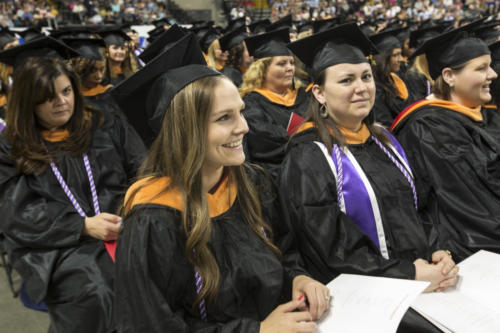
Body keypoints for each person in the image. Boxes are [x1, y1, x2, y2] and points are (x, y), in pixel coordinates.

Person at [113, 35, 330, 332]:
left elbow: (285, 249)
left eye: (240, 111)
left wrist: (299, 278)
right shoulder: (153, 219)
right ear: (185, 131)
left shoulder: (253, 183)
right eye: (224, 118)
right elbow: (152, 325)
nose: (244, 126)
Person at [284, 23, 458, 332]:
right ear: (319, 92)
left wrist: (438, 251)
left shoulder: (384, 140)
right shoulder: (309, 156)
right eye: (346, 80)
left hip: (419, 282)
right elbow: (329, 249)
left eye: (366, 76)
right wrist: (407, 273)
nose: (362, 87)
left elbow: (416, 207)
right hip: (366, 300)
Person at [0, 57, 145, 332]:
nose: (62, 102)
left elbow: (141, 169)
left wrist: (132, 213)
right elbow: (17, 211)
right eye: (48, 97)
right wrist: (83, 226)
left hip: (120, 224)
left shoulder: (102, 123)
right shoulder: (9, 148)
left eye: (66, 91)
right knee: (96, 290)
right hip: (55, 244)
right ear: (29, 101)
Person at [391, 23, 500, 263]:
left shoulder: (483, 115)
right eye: (482, 68)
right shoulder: (428, 128)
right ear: (449, 76)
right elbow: (471, 205)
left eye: (490, 66)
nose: (493, 74)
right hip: (470, 254)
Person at [240, 28, 308, 179]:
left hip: (314, 172)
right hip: (275, 178)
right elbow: (268, 142)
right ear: (262, 70)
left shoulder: (304, 96)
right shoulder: (251, 104)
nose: (290, 68)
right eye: (281, 64)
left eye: (291, 62)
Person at [370, 28, 428, 127]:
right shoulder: (375, 87)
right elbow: (385, 121)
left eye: (400, 54)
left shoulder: (396, 79)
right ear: (383, 57)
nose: (401, 59)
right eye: (396, 55)